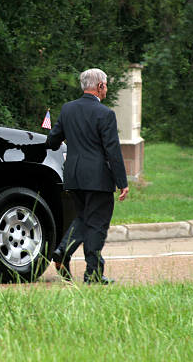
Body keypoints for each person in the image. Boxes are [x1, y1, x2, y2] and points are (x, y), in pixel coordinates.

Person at [46, 68, 129, 284]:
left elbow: (52, 141)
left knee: (83, 218)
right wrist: (122, 182)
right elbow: (113, 150)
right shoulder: (105, 114)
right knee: (97, 224)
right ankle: (92, 274)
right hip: (99, 179)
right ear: (100, 86)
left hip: (73, 177)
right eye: (106, 86)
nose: (106, 90)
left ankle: (64, 252)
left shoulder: (67, 109)